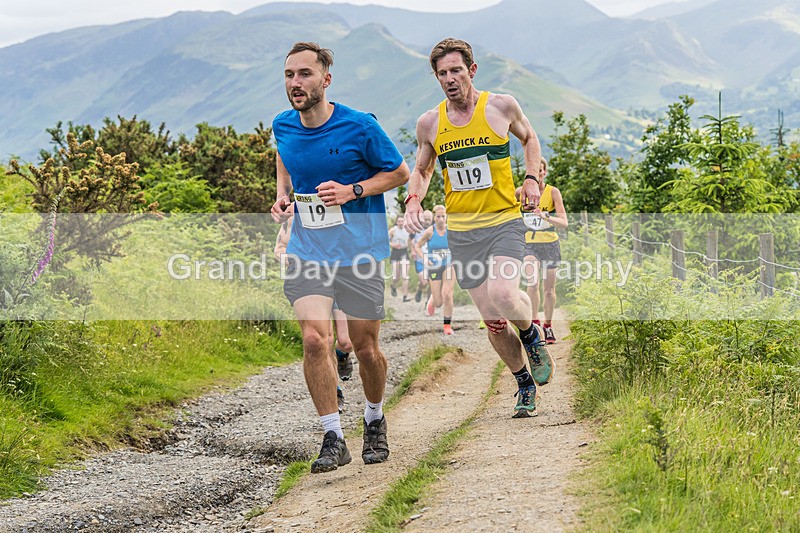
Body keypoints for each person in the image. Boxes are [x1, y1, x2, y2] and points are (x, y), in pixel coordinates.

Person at [271, 41, 409, 473]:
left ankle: (373, 418)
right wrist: (281, 195)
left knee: (366, 347)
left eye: (305, 74)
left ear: (325, 80)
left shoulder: (360, 126)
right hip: (308, 248)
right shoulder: (283, 125)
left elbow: (399, 173)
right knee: (315, 339)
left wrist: (353, 191)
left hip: (359, 251)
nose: (296, 83)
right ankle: (333, 435)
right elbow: (285, 155)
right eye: (290, 74)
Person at [404, 37, 554, 418]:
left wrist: (533, 179)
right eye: (442, 73)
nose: (450, 79)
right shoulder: (430, 122)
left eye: (456, 70)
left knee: (505, 294)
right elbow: (421, 170)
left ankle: (531, 334)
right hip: (462, 230)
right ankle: (523, 382)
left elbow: (531, 139)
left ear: (471, 70)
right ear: (436, 78)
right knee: (492, 319)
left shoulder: (501, 106)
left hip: (503, 220)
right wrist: (414, 200)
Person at [274, 215, 354, 413]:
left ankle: (341, 356)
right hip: (313, 283)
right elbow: (279, 248)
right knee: (323, 339)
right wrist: (290, 260)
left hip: (340, 279)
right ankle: (335, 391)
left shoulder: (339, 208)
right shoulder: (295, 214)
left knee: (346, 342)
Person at [516, 157, 567, 344]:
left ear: (544, 172)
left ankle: (548, 325)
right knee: (532, 283)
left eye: (540, 170)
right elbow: (508, 216)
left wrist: (546, 216)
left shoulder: (553, 192)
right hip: (530, 244)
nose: (537, 174)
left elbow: (564, 222)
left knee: (549, 290)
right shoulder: (520, 193)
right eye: (533, 170)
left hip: (550, 244)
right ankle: (535, 324)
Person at [413, 205, 455, 335]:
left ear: (446, 216)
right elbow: (417, 246)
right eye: (438, 216)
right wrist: (425, 258)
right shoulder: (430, 231)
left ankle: (447, 326)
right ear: (434, 218)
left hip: (449, 264)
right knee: (438, 302)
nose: (441, 219)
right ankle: (432, 301)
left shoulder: (452, 230)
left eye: (443, 216)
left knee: (447, 294)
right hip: (434, 266)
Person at [409, 209, 433, 303]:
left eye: (429, 219)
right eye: (425, 219)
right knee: (424, 282)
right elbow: (409, 240)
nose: (427, 222)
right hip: (419, 260)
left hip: (431, 260)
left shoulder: (434, 230)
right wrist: (412, 250)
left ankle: (429, 303)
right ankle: (419, 290)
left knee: (432, 282)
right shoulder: (416, 229)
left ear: (432, 219)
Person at [388, 215, 411, 301]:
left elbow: (411, 241)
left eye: (402, 221)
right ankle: (393, 286)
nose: (401, 223)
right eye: (399, 221)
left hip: (404, 252)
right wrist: (393, 244)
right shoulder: (393, 230)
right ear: (397, 222)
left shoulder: (408, 230)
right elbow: (386, 240)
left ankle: (405, 296)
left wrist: (412, 250)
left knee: (405, 275)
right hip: (395, 252)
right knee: (396, 277)